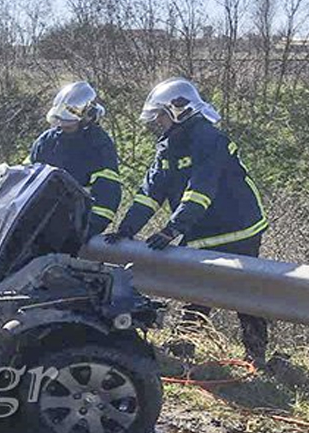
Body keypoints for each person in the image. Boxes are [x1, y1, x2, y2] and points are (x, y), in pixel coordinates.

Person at [104, 77, 270, 367]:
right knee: (197, 285)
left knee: (245, 292)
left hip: (238, 227)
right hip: (201, 226)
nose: (158, 122)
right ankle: (185, 344)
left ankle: (256, 355)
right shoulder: (168, 146)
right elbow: (150, 192)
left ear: (178, 110)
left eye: (161, 115)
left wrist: (173, 229)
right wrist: (127, 228)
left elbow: (201, 189)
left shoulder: (209, 139)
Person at [27, 81, 122, 239]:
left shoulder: (98, 144)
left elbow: (108, 194)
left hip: (76, 223)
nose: (63, 127)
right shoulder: (46, 141)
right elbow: (27, 179)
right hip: (42, 224)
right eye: (60, 122)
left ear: (87, 117)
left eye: (69, 124)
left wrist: (86, 231)